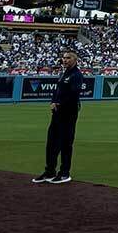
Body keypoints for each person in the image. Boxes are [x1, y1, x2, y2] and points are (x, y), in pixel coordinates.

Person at [32, 51, 84, 184]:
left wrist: (59, 103)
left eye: (68, 58)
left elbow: (74, 94)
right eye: (64, 58)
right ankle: (49, 171)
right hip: (57, 113)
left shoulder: (76, 75)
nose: (65, 60)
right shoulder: (63, 74)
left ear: (75, 60)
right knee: (51, 142)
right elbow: (57, 91)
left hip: (68, 112)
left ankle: (65, 173)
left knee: (66, 143)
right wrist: (53, 102)